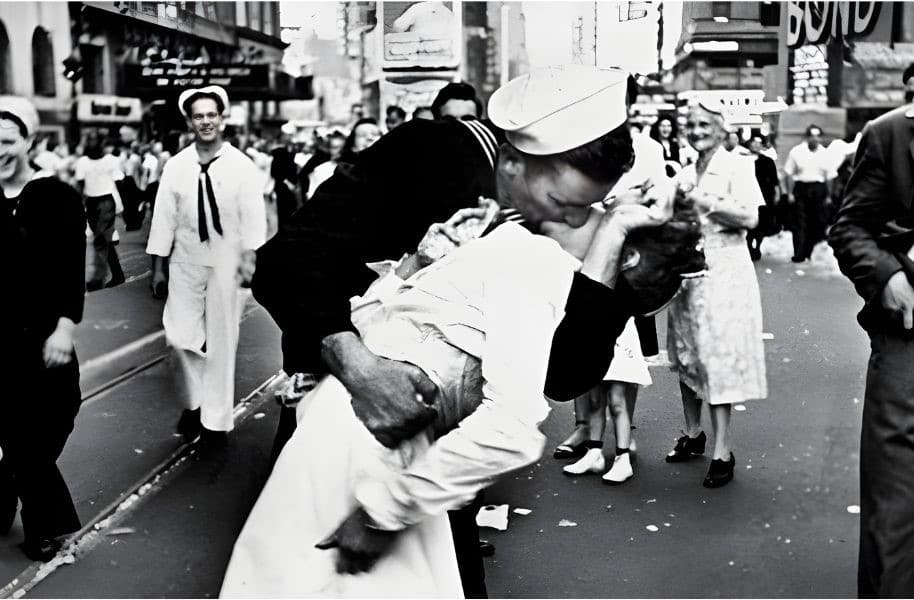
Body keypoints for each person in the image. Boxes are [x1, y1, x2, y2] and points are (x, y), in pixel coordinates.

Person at [222, 65, 704, 597]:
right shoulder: (434, 155)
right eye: (565, 203)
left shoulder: (540, 240)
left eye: (587, 209)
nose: (570, 221)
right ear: (517, 161)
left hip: (423, 460)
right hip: (355, 424)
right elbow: (289, 259)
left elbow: (565, 373)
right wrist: (361, 365)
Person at [146, 85, 266, 447]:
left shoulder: (241, 166)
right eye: (198, 116)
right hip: (185, 261)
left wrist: (250, 260)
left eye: (211, 114)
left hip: (226, 263)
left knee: (222, 342)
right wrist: (158, 266)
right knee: (179, 338)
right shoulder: (177, 166)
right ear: (189, 121)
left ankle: (215, 423)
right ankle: (195, 401)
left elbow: (253, 220)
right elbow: (163, 218)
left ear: (222, 118)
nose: (206, 121)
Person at [828, 102, 914, 597]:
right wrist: (889, 278)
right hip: (907, 344)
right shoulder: (889, 135)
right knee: (898, 516)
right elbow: (850, 228)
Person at [664, 94, 768, 489]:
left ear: (723, 129)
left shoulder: (737, 165)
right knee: (687, 355)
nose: (696, 132)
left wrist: (706, 201)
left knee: (717, 360)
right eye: (691, 125)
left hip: (726, 272)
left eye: (704, 125)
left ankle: (723, 449)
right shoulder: (686, 169)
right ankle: (693, 433)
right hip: (688, 274)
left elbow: (751, 217)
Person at [0, 97, 87, 561]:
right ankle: (43, 527)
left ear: (29, 141)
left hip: (44, 336)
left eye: (7, 141)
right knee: (15, 435)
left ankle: (11, 489)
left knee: (48, 425)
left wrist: (64, 327)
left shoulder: (55, 197)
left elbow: (70, 270)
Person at [75, 131, 126, 291]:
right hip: (91, 202)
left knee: (100, 240)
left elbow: (121, 180)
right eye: (89, 141)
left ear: (101, 143)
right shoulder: (83, 162)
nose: (92, 144)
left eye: (94, 141)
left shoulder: (111, 160)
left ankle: (97, 279)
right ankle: (118, 275)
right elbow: (80, 184)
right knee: (103, 239)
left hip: (106, 202)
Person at [783, 124, 837, 263]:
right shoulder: (797, 151)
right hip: (801, 189)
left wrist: (829, 196)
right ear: (806, 137)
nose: (815, 139)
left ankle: (807, 251)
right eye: (812, 135)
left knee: (815, 223)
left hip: (818, 190)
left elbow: (830, 176)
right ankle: (798, 253)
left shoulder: (826, 154)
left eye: (818, 135)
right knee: (799, 222)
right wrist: (789, 193)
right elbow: (789, 173)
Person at [746, 134, 781, 261]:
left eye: (759, 143)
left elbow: (774, 180)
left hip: (764, 196)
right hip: (747, 196)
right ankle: (749, 245)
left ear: (762, 146)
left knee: (761, 223)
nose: (756, 145)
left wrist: (776, 194)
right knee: (749, 223)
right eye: (753, 142)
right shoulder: (743, 160)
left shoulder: (767, 161)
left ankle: (757, 246)